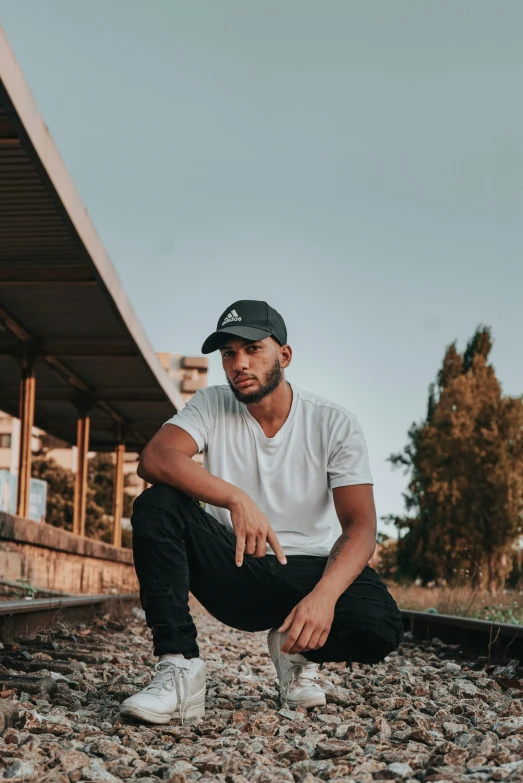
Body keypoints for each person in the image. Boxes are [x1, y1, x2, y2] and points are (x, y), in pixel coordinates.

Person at [120, 300, 403, 725]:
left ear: (284, 356)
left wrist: (324, 596)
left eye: (253, 349)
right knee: (157, 503)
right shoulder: (213, 403)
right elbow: (156, 457)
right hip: (233, 567)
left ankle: (297, 651)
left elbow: (361, 526)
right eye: (229, 353)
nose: (239, 363)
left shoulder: (333, 423)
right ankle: (179, 669)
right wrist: (236, 498)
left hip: (306, 572)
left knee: (380, 625)